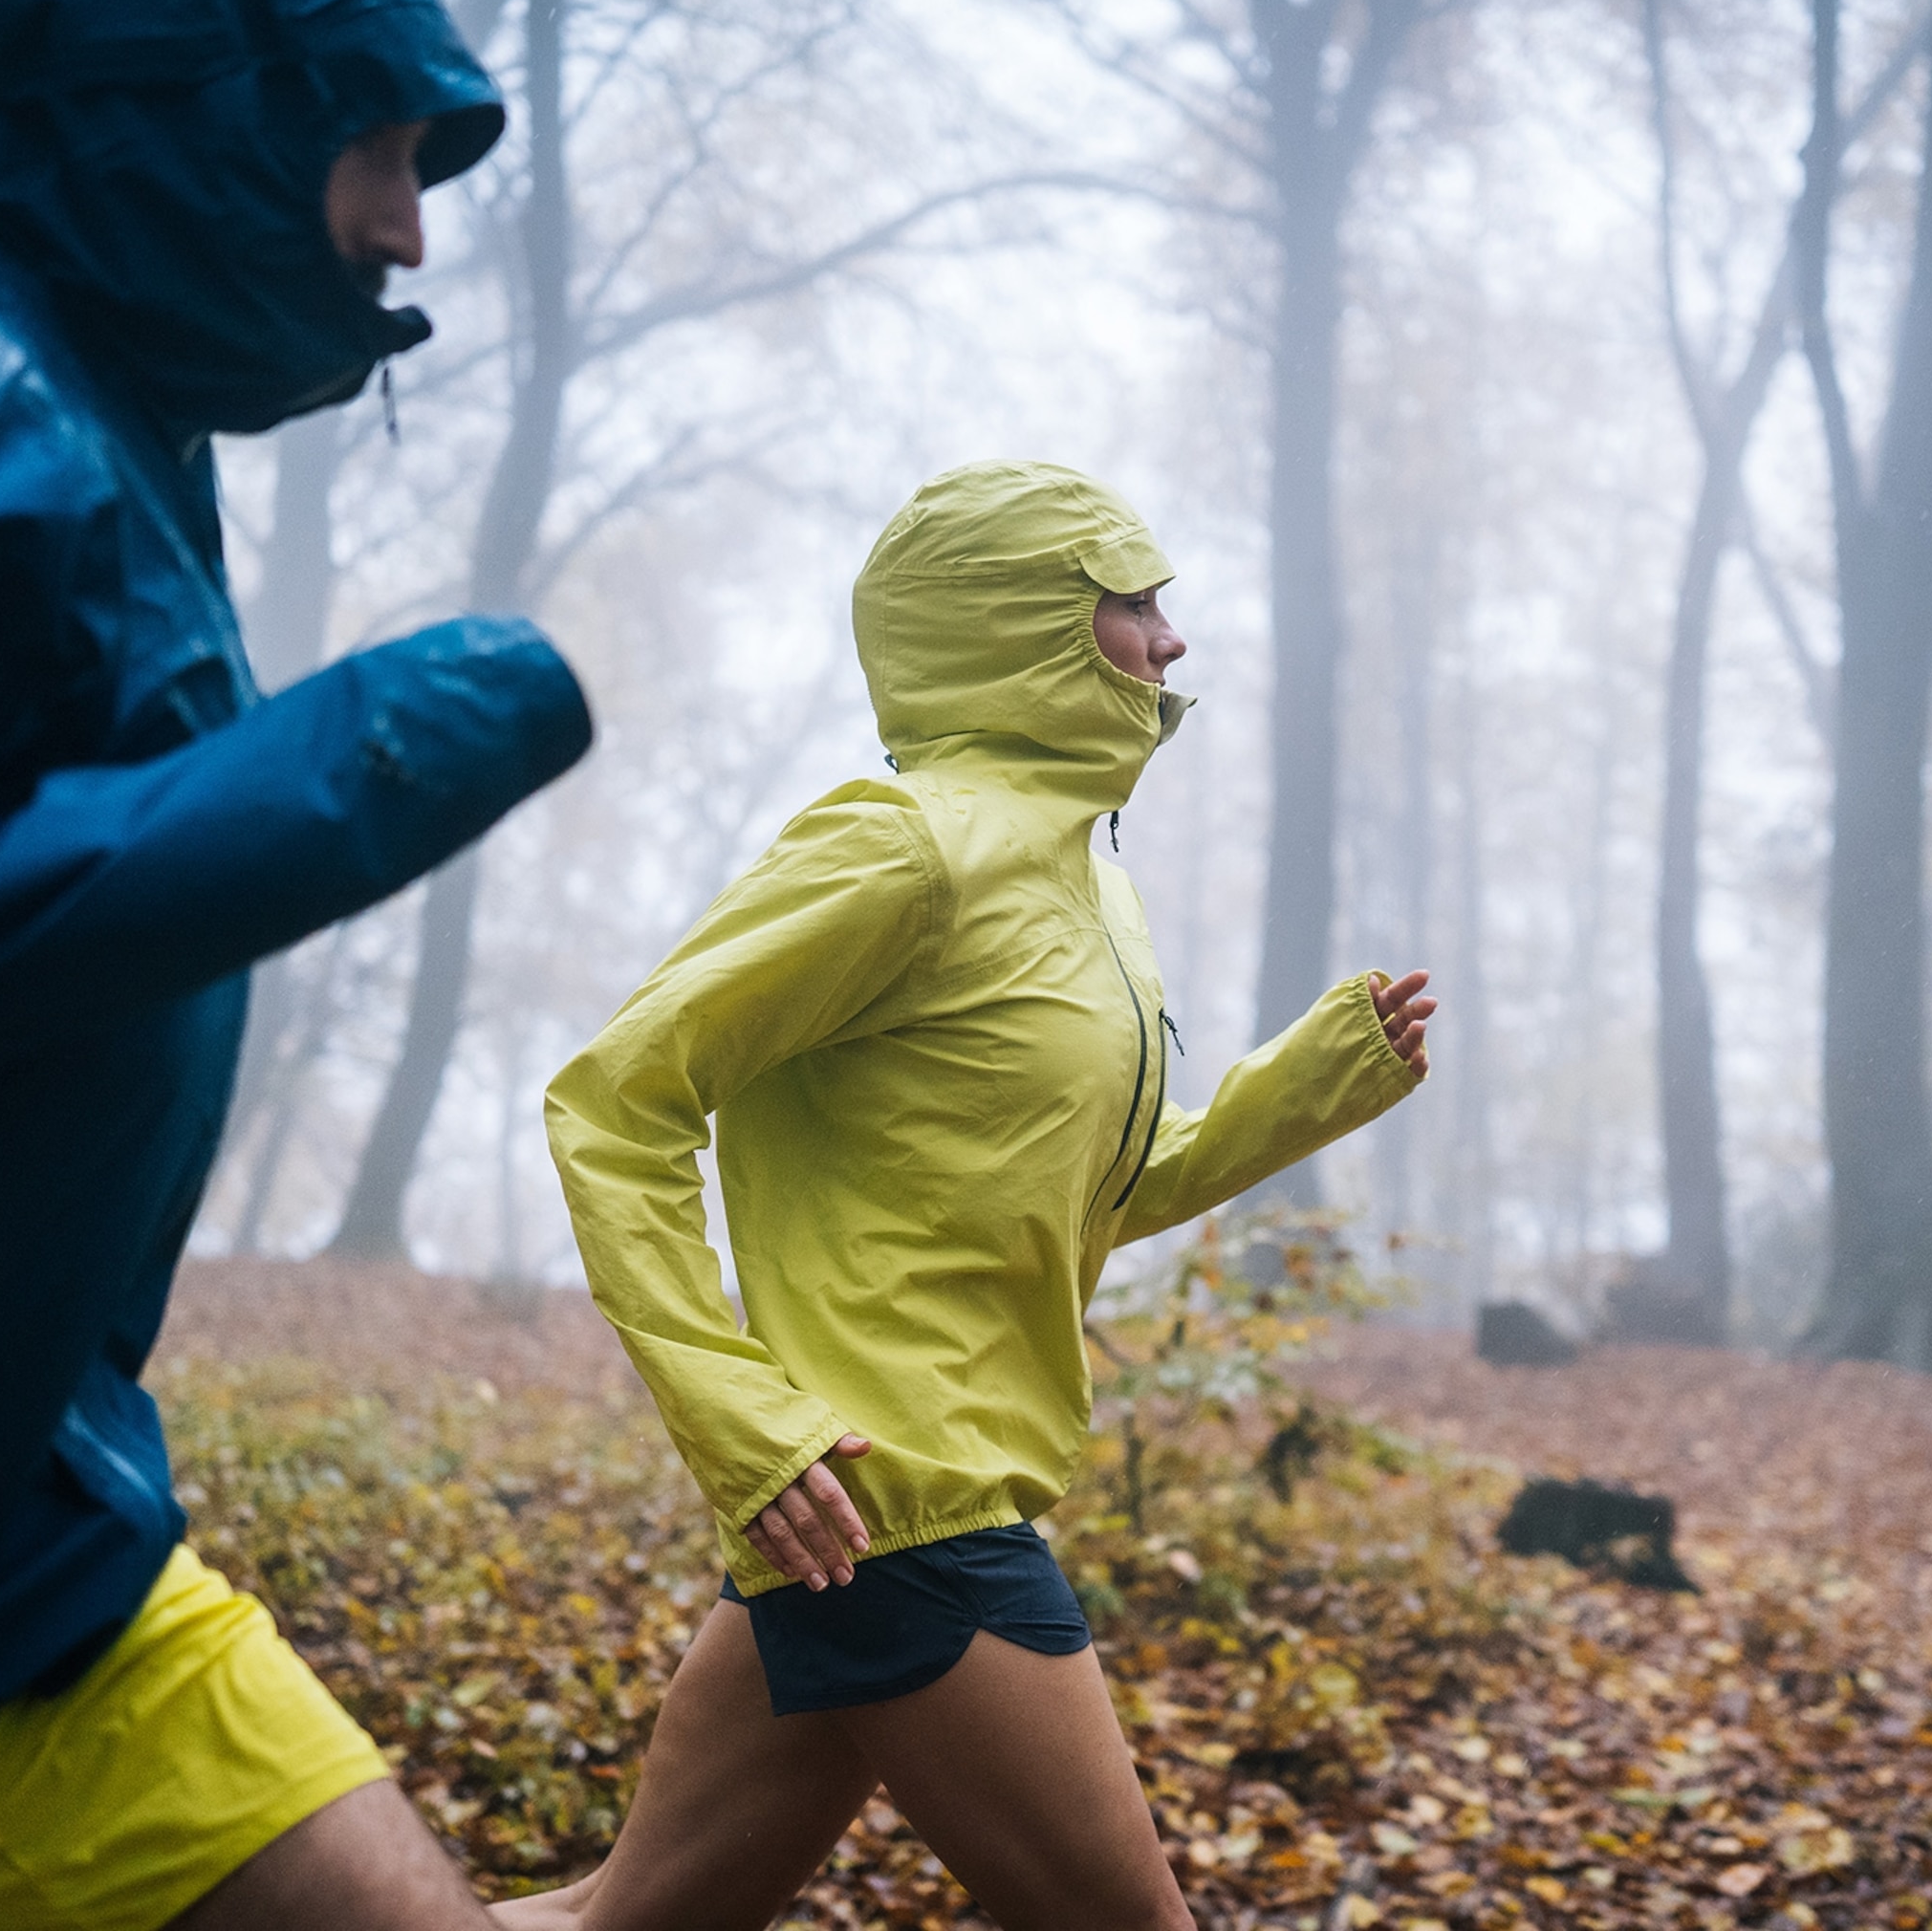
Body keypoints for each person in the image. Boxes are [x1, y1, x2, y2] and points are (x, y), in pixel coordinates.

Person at [0, 0, 592, 1927]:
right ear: (193, 103)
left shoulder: (114, 441)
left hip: (24, 1584)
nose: (406, 231)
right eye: (376, 148)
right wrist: (333, 776)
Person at [522, 460, 1437, 1931]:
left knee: (615, 1925)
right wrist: (743, 1419)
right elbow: (614, 1103)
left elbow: (1079, 1199)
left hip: (859, 1512)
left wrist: (1309, 1085)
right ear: (1026, 625)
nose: (1172, 638)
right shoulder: (901, 848)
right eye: (1133, 600)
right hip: (907, 1504)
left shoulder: (1087, 887)